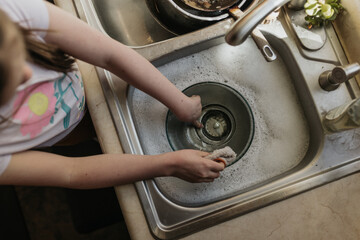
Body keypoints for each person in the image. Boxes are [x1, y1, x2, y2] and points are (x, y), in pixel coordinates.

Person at [0, 0, 224, 188]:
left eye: (21, 54)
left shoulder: (11, 11)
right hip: (68, 132)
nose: (28, 74)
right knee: (91, 136)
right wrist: (168, 165)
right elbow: (71, 171)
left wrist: (180, 102)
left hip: (85, 91)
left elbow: (109, 54)